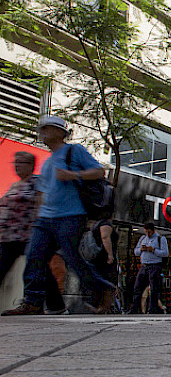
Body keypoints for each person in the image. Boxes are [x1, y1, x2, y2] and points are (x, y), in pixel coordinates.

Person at [2, 116, 113, 316]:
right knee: (34, 256)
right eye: (42, 128)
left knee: (73, 259)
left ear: (61, 132)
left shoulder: (74, 151)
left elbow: (99, 172)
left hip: (71, 215)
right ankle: (33, 301)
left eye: (48, 128)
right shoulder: (47, 162)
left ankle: (103, 288)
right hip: (45, 219)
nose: (42, 132)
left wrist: (73, 175)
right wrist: (36, 218)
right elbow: (42, 194)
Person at [0, 151, 66, 314]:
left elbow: (42, 204)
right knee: (38, 269)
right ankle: (56, 306)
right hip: (10, 236)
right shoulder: (15, 186)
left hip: (29, 234)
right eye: (15, 162)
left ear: (31, 165)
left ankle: (52, 306)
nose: (17, 166)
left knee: (38, 269)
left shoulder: (37, 182)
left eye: (21, 162)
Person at [130, 222, 169, 314]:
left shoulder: (160, 239)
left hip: (155, 265)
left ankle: (153, 308)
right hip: (144, 265)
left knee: (154, 288)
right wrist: (141, 249)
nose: (148, 234)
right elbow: (136, 251)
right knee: (137, 288)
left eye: (149, 232)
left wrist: (153, 250)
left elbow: (165, 253)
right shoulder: (143, 238)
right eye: (146, 232)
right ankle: (134, 308)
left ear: (153, 230)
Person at [87, 217, 120, 313]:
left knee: (100, 280)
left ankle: (101, 305)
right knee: (108, 282)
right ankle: (103, 306)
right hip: (103, 259)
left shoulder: (95, 225)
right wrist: (110, 254)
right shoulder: (105, 224)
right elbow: (105, 237)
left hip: (96, 258)